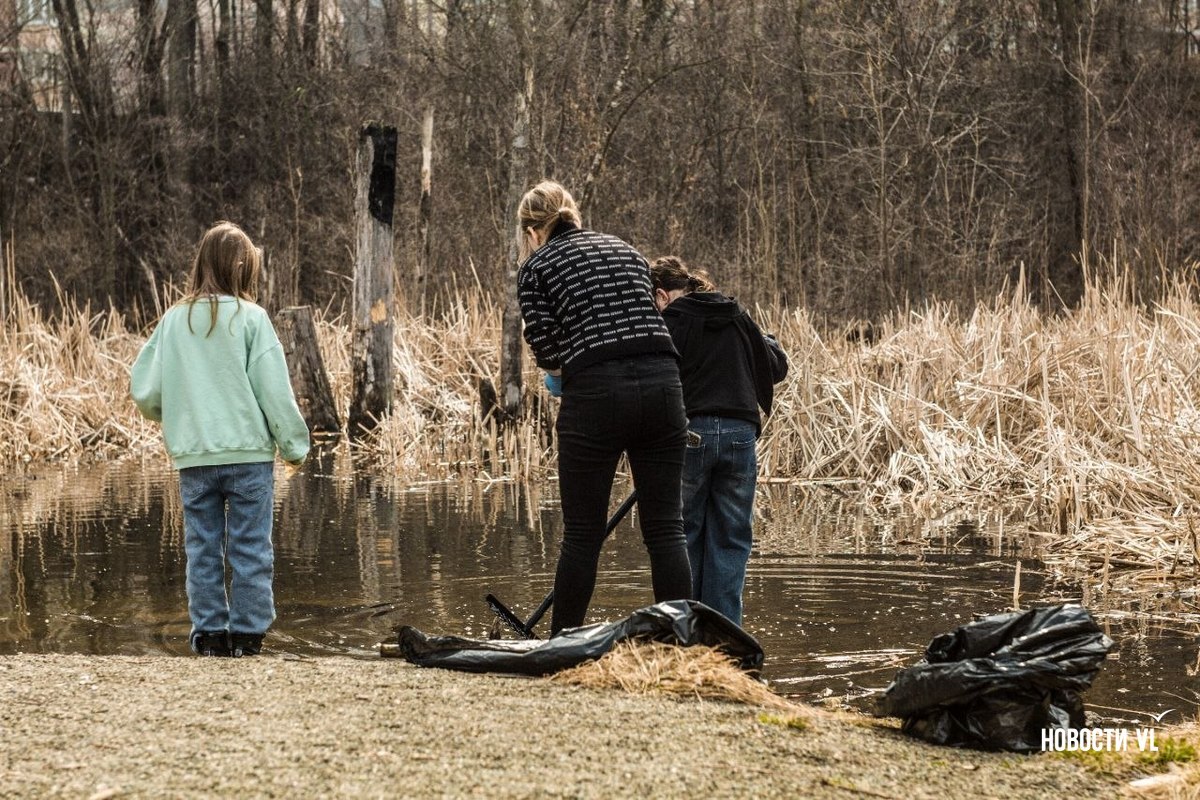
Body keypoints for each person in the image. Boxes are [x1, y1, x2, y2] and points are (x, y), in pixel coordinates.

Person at [516, 180, 693, 634]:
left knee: (582, 535)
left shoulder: (536, 267)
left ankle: (561, 646)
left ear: (532, 230)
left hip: (596, 393)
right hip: (663, 385)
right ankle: (682, 647)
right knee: (666, 530)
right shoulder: (625, 248)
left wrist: (560, 376)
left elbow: (547, 351)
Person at [131, 221, 310, 657]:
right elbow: (274, 391)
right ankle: (248, 637)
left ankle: (210, 634)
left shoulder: (174, 320)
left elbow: (146, 391)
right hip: (248, 456)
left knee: (202, 548)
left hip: (193, 457)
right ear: (244, 270)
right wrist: (294, 446)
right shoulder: (252, 319)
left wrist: (175, 415)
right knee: (251, 549)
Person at [650, 256, 788, 626]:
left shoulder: (669, 324)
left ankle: (687, 633)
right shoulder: (736, 316)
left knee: (684, 535)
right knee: (731, 539)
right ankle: (725, 637)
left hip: (690, 435)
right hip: (740, 436)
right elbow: (777, 365)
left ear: (662, 295)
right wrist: (763, 340)